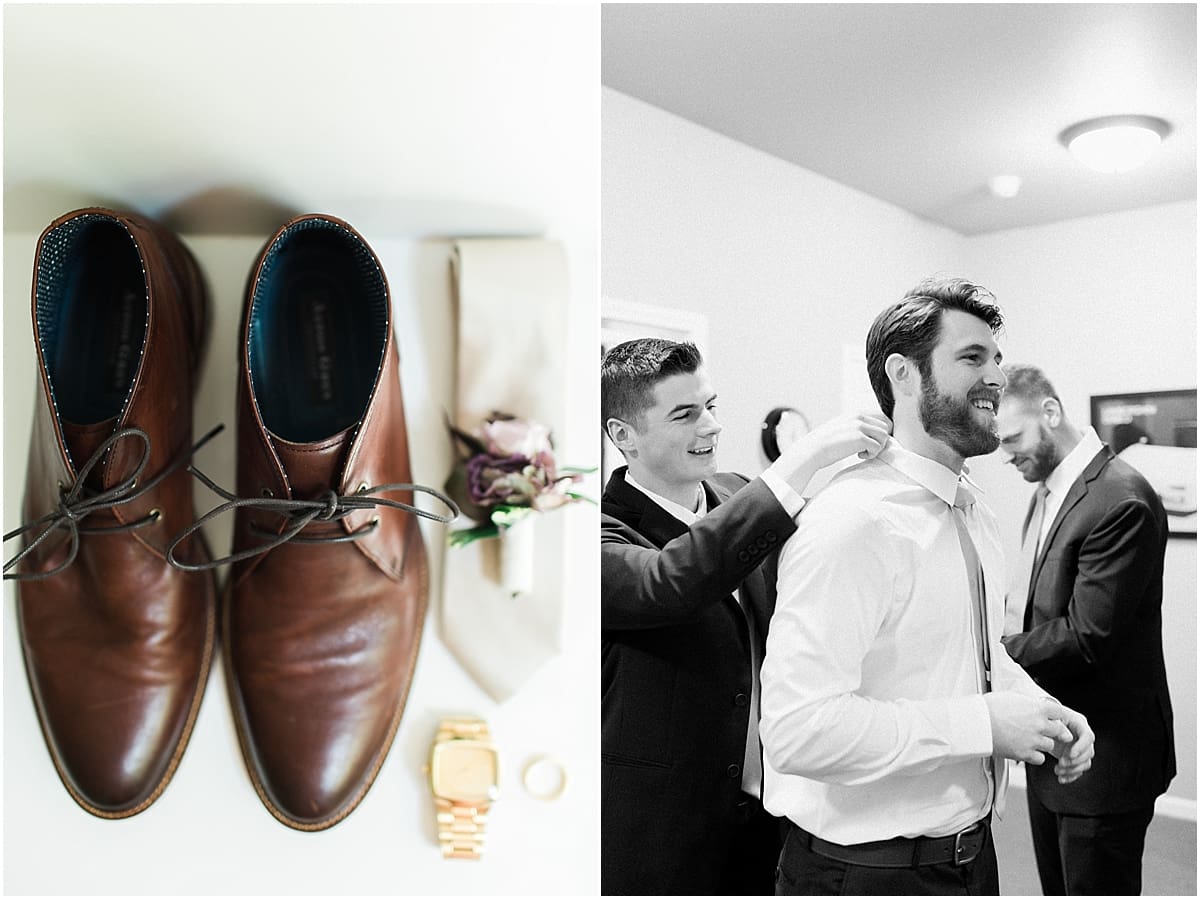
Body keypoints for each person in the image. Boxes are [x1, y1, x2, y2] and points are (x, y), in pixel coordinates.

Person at [760, 279, 1096, 896]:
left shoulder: (973, 509)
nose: (997, 375)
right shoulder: (853, 521)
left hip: (970, 859)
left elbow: (977, 654)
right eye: (972, 358)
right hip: (865, 874)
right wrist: (982, 725)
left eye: (997, 357)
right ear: (904, 375)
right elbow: (798, 731)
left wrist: (1047, 712)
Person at [600, 337, 891, 896]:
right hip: (658, 831)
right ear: (623, 436)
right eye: (685, 414)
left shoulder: (737, 493)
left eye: (711, 406)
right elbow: (671, 581)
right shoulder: (596, 531)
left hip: (770, 815)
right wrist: (801, 459)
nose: (710, 426)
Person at [996, 363, 1175, 896]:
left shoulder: (1120, 498)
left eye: (1013, 438)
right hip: (1059, 744)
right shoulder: (1048, 490)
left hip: (1107, 761)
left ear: (1050, 412)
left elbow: (1086, 635)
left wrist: (992, 656)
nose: (1006, 454)